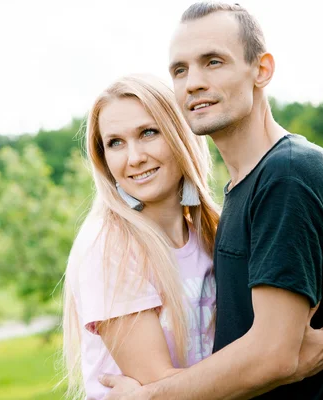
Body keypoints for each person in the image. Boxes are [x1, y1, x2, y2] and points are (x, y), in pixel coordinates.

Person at [99, 2, 323, 399]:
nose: (193, 83)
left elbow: (273, 354)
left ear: (262, 69)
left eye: (213, 62)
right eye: (180, 70)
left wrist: (149, 398)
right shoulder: (242, 187)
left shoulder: (286, 175)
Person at [61, 73, 221, 400]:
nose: (134, 158)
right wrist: (277, 365)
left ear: (180, 134)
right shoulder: (108, 247)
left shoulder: (210, 234)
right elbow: (163, 386)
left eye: (148, 133)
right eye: (115, 143)